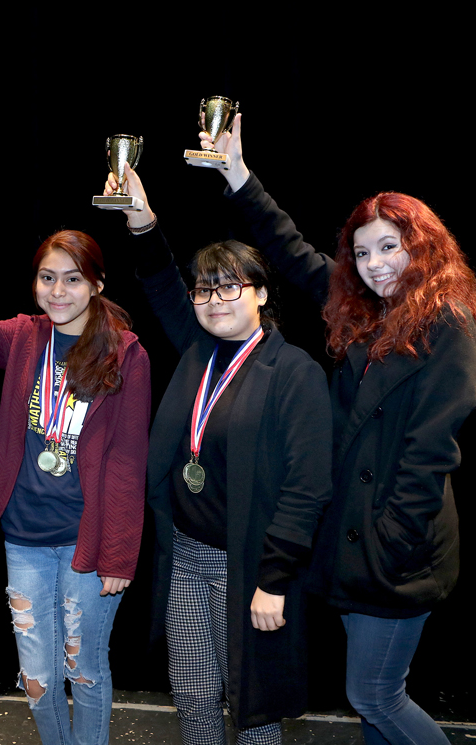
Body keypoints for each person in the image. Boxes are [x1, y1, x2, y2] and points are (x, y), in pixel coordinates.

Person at [203, 114, 476, 745]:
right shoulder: (369, 315)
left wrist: (388, 540)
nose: (375, 263)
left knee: (374, 694)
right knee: (373, 705)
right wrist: (237, 176)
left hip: (397, 549)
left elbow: (430, 454)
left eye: (391, 246)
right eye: (362, 252)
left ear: (424, 247)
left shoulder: (447, 323)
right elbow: (295, 252)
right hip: (356, 541)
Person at [102, 166, 333, 744]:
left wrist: (274, 580)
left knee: (252, 706)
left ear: (260, 294)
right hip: (185, 557)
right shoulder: (197, 352)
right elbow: (158, 278)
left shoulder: (294, 372)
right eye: (204, 289)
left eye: (230, 286)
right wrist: (141, 220)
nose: (213, 300)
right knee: (194, 695)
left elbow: (308, 489)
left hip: (252, 565)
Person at [0, 196, 151, 745]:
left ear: (97, 285)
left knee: (86, 669)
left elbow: (128, 461)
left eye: (72, 280)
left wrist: (120, 553)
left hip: (89, 539)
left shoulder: (125, 354)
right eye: (47, 278)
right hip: (25, 536)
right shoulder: (25, 337)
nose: (57, 292)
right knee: (38, 678)